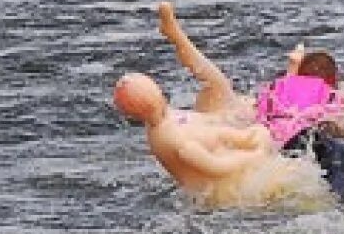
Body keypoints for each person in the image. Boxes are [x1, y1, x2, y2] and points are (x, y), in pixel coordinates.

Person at [112, 71, 318, 208]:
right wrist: (251, 156)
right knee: (298, 180)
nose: (163, 97)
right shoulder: (175, 141)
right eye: (157, 96)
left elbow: (205, 127)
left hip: (232, 166)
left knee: (263, 136)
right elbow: (216, 167)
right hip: (227, 192)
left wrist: (240, 136)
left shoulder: (167, 117)